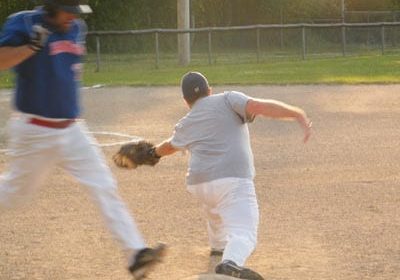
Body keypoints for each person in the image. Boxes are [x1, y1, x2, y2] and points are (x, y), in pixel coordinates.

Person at [0, 1, 165, 279]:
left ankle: (135, 255)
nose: (74, 17)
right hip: (35, 131)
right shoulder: (24, 23)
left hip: (73, 130)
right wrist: (30, 47)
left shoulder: (77, 27)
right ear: (51, 7)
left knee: (104, 185)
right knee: (15, 195)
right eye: (68, 11)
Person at [151, 72, 312, 280]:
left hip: (199, 184)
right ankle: (231, 262)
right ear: (210, 91)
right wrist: (297, 114)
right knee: (245, 233)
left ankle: (218, 247)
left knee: (215, 206)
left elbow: (169, 146)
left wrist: (151, 153)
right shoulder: (228, 99)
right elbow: (258, 107)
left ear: (185, 101)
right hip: (232, 180)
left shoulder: (186, 122)